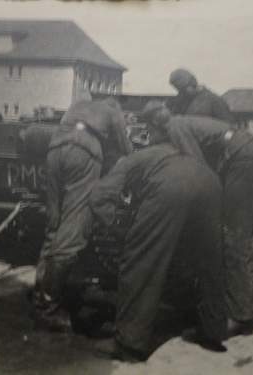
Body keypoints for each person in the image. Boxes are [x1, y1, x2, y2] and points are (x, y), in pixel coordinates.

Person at [90, 102, 227, 361]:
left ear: (149, 135)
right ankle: (213, 330)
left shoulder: (133, 158)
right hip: (209, 183)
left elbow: (99, 197)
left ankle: (129, 343)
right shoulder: (180, 150)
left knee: (140, 263)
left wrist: (121, 231)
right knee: (209, 261)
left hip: (171, 188)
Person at [143, 101, 253, 337]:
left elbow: (199, 168)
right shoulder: (185, 121)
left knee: (233, 240)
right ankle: (248, 311)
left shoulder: (175, 127)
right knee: (249, 240)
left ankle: (239, 318)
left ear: (155, 123)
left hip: (241, 163)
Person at [33, 100, 132, 330]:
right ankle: (50, 309)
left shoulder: (78, 106)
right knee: (72, 231)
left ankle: (41, 296)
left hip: (54, 149)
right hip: (83, 154)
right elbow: (126, 151)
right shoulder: (113, 111)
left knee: (54, 225)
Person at [167, 68, 234, 123]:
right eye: (179, 89)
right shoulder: (179, 102)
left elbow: (228, 126)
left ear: (192, 83)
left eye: (183, 88)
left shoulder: (214, 100)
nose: (181, 93)